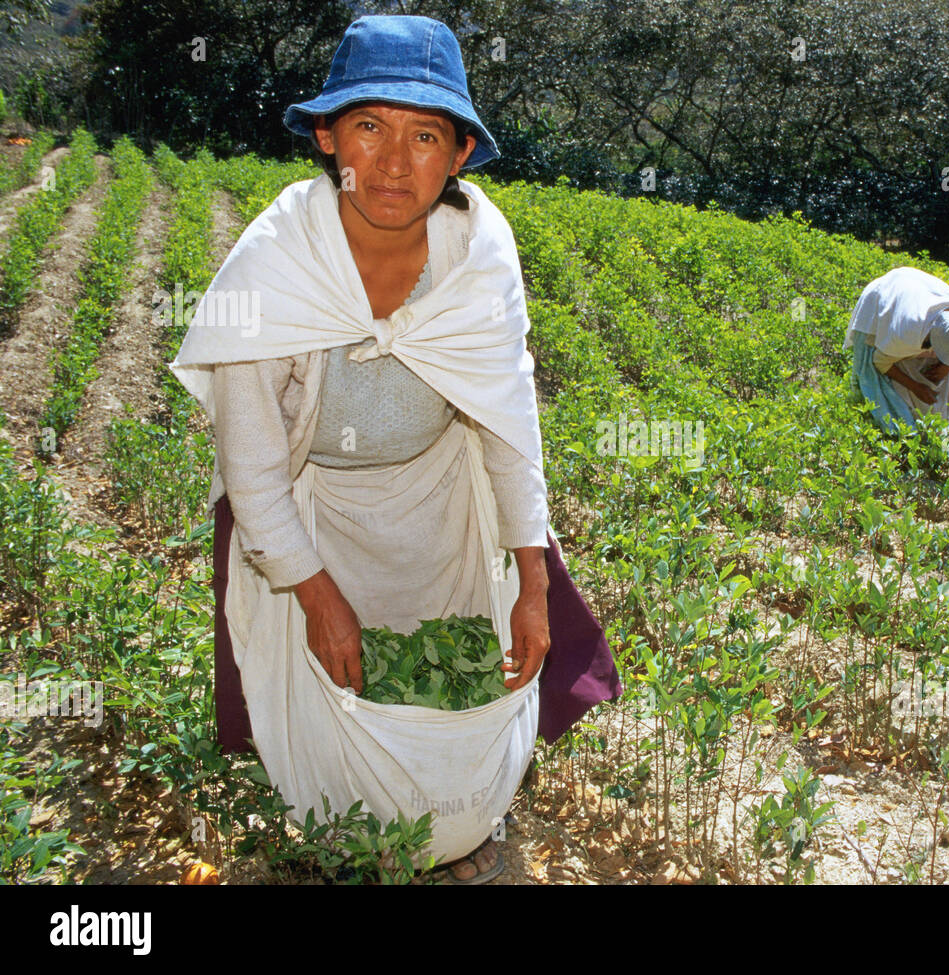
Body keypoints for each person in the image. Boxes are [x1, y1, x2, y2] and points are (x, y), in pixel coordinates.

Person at [173, 15, 621, 885]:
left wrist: (532, 581)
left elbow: (505, 416)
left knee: (452, 672)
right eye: (369, 127)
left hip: (436, 500)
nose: (392, 161)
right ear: (326, 135)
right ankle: (347, 831)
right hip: (311, 508)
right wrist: (311, 590)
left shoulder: (479, 254)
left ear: (458, 156)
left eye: (425, 136)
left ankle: (457, 821)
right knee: (325, 689)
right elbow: (254, 463)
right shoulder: (277, 265)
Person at [843, 266, 949, 432]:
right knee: (874, 382)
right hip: (880, 298)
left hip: (915, 291)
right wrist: (915, 387)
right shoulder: (906, 331)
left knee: (933, 382)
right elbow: (880, 362)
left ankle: (934, 431)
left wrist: (945, 367)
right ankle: (892, 431)